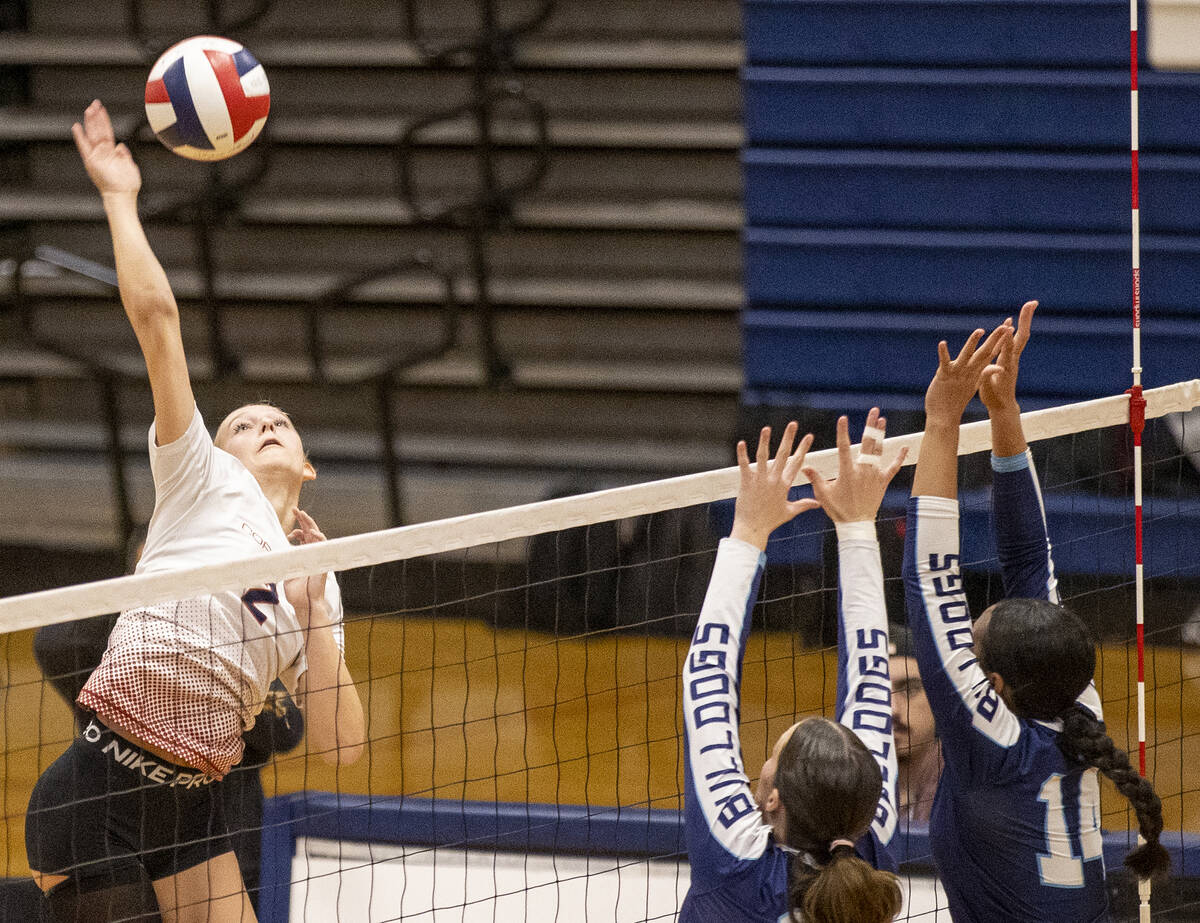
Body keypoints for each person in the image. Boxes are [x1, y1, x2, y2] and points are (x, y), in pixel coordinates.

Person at [25, 99, 366, 923]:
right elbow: (158, 322)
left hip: (194, 813)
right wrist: (117, 196)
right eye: (243, 424)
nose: (264, 426)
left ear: (308, 462)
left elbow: (345, 751)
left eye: (279, 421)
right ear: (217, 452)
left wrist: (318, 612)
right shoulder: (200, 480)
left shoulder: (315, 577)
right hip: (95, 797)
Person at [903, 304, 1170, 922]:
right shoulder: (1073, 710)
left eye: (973, 643)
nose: (962, 645)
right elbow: (1030, 561)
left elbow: (929, 582)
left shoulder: (994, 739)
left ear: (992, 688)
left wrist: (942, 423)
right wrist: (1003, 414)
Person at [680, 411, 907, 922]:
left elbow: (707, 680)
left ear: (772, 800)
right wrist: (854, 528)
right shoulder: (872, 849)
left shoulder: (736, 861)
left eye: (773, 756)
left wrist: (749, 531)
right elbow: (872, 687)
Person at [32, 526, 306, 912]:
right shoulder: (108, 640)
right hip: (115, 839)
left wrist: (202, 676)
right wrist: (137, 608)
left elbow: (288, 729)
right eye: (161, 572)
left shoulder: (230, 647)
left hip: (221, 841)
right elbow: (51, 644)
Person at [887, 625, 941, 826]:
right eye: (876, 692)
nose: (892, 709)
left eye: (909, 689)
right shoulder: (836, 791)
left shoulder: (965, 789)